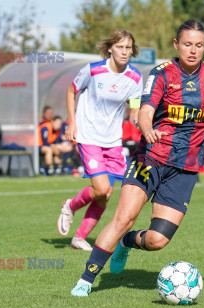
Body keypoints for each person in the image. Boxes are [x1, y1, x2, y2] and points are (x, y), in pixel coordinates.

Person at [69, 20, 204, 296]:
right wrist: (147, 130)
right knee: (124, 217)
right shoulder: (161, 74)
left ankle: (127, 243)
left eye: (199, 45)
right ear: (176, 45)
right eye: (187, 44)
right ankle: (86, 280)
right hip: (149, 159)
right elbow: (145, 110)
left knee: (157, 241)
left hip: (184, 169)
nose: (193, 50)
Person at [57, 29, 143, 251]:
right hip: (89, 136)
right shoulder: (93, 70)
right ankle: (70, 205)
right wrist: (72, 122)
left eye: (128, 48)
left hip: (113, 142)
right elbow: (70, 91)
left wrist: (138, 119)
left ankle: (79, 238)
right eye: (120, 47)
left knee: (105, 196)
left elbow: (134, 109)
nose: (125, 52)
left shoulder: (135, 77)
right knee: (102, 188)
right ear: (110, 48)